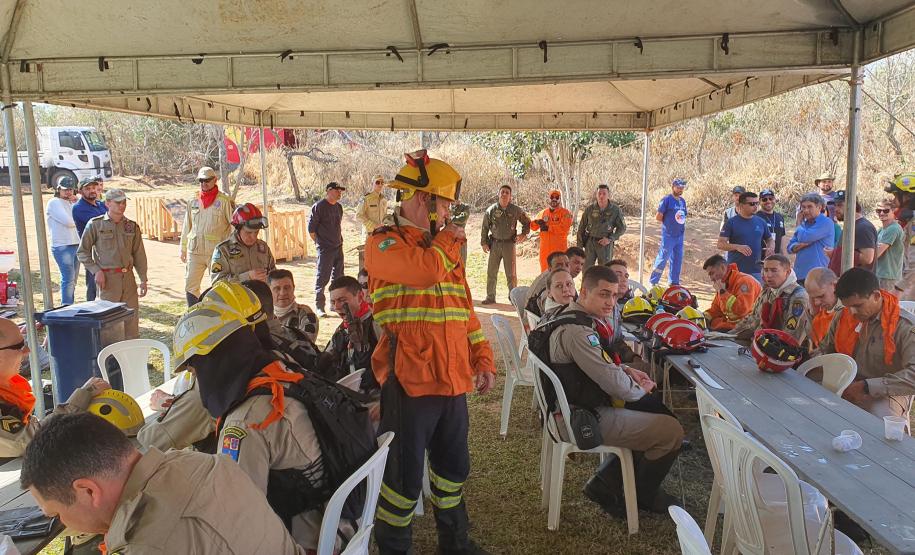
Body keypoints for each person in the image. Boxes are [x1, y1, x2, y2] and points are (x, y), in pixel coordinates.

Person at [365, 149, 495, 554]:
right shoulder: (383, 243)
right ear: (425, 199)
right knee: (402, 482)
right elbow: (424, 271)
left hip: (452, 382)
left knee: (453, 470)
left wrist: (483, 358)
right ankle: (392, 548)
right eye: (446, 204)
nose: (449, 215)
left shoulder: (442, 249)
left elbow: (464, 313)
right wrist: (446, 240)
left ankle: (455, 544)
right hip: (409, 383)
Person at [173, 284, 355, 552]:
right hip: (341, 521)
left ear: (213, 360)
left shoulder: (244, 422)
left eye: (195, 365)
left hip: (306, 541)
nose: (195, 373)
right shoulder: (280, 369)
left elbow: (238, 509)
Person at [21, 413, 305, 555]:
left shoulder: (149, 545)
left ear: (87, 491)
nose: (63, 524)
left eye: (57, 515)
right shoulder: (205, 463)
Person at [534, 265, 683, 517]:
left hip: (570, 408)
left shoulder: (569, 315)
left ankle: (605, 483)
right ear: (584, 292)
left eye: (614, 295)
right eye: (604, 294)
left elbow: (596, 365)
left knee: (654, 413)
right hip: (579, 418)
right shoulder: (578, 331)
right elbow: (616, 386)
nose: (611, 302)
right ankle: (642, 496)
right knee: (671, 431)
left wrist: (626, 369)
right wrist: (640, 389)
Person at [0, 318, 109, 457]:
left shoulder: (9, 387)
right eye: (19, 346)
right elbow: (28, 440)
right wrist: (83, 396)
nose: (27, 351)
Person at [816, 268, 914, 420]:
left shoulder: (904, 326)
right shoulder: (844, 315)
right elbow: (827, 351)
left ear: (876, 296)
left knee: (878, 424)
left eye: (858, 305)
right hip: (845, 382)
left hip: (887, 391)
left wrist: (868, 387)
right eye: (849, 306)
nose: (853, 312)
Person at [76, 189, 148, 339]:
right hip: (108, 280)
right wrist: (96, 271)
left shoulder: (131, 226)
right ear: (108, 203)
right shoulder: (95, 225)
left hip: (128, 278)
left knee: (131, 319)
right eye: (118, 202)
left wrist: (143, 279)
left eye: (124, 202)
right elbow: (82, 252)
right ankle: (109, 359)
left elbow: (139, 254)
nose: (122, 206)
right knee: (109, 321)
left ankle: (130, 357)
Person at [180, 166, 235, 306]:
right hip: (195, 251)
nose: (204, 183)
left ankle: (219, 315)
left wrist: (233, 250)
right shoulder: (193, 200)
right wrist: (183, 248)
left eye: (207, 180)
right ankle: (193, 313)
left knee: (219, 286)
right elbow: (187, 225)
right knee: (190, 285)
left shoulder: (224, 201)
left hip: (216, 253)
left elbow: (234, 226)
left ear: (215, 180)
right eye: (201, 181)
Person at [318, 276, 381, 395]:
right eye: (333, 302)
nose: (336, 307)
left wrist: (382, 403)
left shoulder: (377, 325)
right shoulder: (341, 330)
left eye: (342, 300)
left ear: (360, 297)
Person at [732, 254, 810, 344]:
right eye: (765, 270)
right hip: (758, 343)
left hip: (779, 350)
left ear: (787, 272)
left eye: (774, 271)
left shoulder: (798, 297)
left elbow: (791, 337)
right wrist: (729, 336)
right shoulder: (768, 291)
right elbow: (752, 320)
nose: (768, 275)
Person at [481, 185, 530, 305]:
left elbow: (527, 222)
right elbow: (485, 227)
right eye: (502, 192)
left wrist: (523, 234)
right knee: (492, 271)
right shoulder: (491, 210)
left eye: (507, 192)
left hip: (509, 245)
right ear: (498, 194)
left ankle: (513, 298)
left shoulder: (515, 210)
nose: (504, 194)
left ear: (510, 196)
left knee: (511, 274)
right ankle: (490, 296)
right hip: (495, 244)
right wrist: (484, 242)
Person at [210, 203, 276, 285]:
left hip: (263, 297)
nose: (253, 237)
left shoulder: (263, 247)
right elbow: (217, 283)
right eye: (248, 233)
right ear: (238, 229)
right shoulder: (223, 250)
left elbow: (274, 276)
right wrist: (247, 277)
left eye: (256, 232)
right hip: (237, 297)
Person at [309, 182, 346, 317]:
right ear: (329, 190)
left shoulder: (338, 207)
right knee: (322, 278)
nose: (339, 193)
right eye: (337, 191)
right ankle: (319, 306)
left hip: (338, 247)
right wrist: (321, 243)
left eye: (340, 191)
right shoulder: (318, 207)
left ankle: (335, 304)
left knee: (338, 278)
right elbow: (311, 230)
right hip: (325, 249)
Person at [718, 192, 772, 282]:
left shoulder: (761, 222)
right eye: (752, 204)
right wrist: (737, 247)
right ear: (741, 205)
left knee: (757, 296)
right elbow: (720, 244)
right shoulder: (731, 222)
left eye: (757, 203)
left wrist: (770, 247)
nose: (755, 206)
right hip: (736, 270)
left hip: (757, 271)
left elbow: (769, 239)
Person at [701, 254, 761, 332]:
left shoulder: (744, 281)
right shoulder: (723, 284)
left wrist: (723, 292)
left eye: (712, 273)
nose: (711, 279)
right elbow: (715, 310)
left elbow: (741, 311)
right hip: (733, 327)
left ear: (722, 267)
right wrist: (701, 318)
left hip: (747, 329)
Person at [71, 177, 108, 301]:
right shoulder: (78, 208)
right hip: (91, 249)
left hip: (106, 248)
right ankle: (92, 309)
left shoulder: (100, 205)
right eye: (87, 189)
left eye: (93, 188)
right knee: (93, 282)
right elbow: (101, 224)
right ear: (80, 191)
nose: (92, 191)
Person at [46, 176, 80, 305]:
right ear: (58, 189)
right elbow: (69, 222)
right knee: (68, 279)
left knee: (73, 280)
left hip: (76, 243)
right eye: (65, 189)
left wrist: (76, 202)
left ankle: (69, 304)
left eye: (70, 189)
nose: (68, 192)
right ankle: (66, 306)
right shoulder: (54, 202)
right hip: (62, 245)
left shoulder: (74, 202)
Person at [787, 193, 834, 283]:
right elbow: (789, 247)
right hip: (800, 274)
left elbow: (805, 237)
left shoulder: (826, 222)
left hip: (818, 275)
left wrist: (798, 223)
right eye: (803, 207)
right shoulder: (804, 224)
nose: (806, 210)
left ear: (819, 207)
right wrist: (799, 246)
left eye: (809, 207)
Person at [577, 184, 626, 268]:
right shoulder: (590, 209)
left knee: (605, 270)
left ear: (608, 195)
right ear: (596, 194)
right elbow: (581, 228)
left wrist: (610, 239)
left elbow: (622, 228)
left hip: (605, 244)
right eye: (599, 193)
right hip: (590, 242)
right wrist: (579, 247)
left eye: (604, 194)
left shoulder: (615, 210)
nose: (601, 196)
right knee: (586, 269)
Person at [649, 178, 688, 286]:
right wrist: (668, 224)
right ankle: (654, 281)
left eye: (682, 188)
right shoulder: (667, 199)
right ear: (673, 187)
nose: (680, 189)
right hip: (669, 235)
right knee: (663, 258)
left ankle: (674, 282)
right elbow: (658, 216)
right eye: (678, 187)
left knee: (677, 259)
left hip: (679, 235)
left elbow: (683, 215)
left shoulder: (682, 201)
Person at [828, 191, 877, 274]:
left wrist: (836, 253)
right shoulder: (850, 225)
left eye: (840, 205)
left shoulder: (863, 227)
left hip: (857, 283)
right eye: (835, 205)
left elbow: (867, 258)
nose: (836, 209)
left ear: (852, 205)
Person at [267, 269, 319, 343]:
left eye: (287, 288)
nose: (282, 293)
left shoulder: (305, 315)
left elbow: (306, 344)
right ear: (269, 291)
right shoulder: (263, 316)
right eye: (277, 289)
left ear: (293, 288)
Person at [530, 189, 574, 272]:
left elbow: (564, 228)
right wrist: (536, 222)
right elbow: (533, 227)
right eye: (552, 197)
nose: (554, 199)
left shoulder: (565, 213)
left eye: (556, 197)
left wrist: (548, 228)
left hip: (559, 250)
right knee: (544, 274)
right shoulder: (543, 213)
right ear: (549, 199)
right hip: (545, 251)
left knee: (560, 273)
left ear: (559, 199)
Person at [523, 251, 570, 317]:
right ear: (550, 269)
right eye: (559, 266)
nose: (564, 268)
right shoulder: (548, 286)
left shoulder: (562, 280)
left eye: (567, 265)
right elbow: (556, 314)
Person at [803, 267, 840, 350]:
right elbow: (814, 341)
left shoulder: (847, 311)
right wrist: (812, 314)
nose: (817, 303)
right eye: (812, 297)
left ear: (834, 286)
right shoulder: (820, 309)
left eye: (821, 296)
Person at [876, 199, 905, 294]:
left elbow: (876, 254)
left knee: (887, 306)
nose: (881, 213)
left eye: (885, 210)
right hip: (880, 274)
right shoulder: (881, 230)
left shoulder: (893, 228)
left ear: (893, 211)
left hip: (889, 277)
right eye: (878, 210)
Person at [757, 188, 787, 256]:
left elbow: (782, 238)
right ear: (759, 201)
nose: (768, 201)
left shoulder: (779, 217)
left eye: (771, 198)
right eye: (764, 199)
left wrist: (784, 257)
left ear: (775, 200)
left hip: (776, 259)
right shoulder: (756, 218)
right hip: (760, 259)